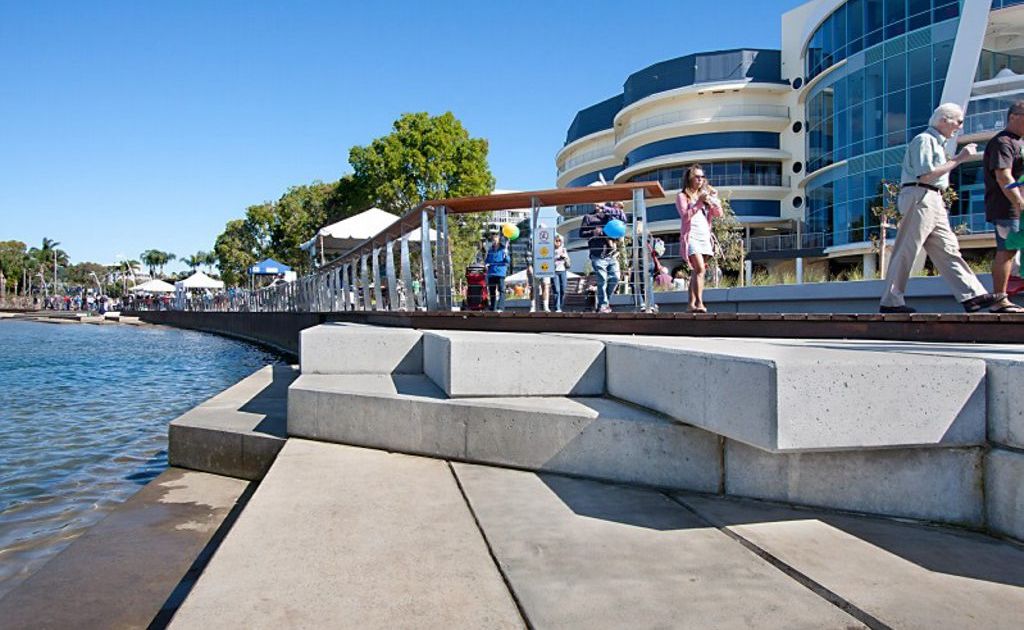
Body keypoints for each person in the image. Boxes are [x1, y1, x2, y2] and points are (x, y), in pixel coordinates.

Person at [879, 103, 1000, 313]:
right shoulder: (924, 140)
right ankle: (890, 301)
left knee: (948, 248)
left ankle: (972, 296)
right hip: (921, 195)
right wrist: (959, 159)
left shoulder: (934, 143)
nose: (960, 127)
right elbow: (926, 174)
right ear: (944, 120)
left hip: (931, 198)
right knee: (907, 249)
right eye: (958, 121)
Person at [982, 100, 1024, 313]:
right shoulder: (1003, 142)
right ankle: (999, 300)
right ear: (1013, 117)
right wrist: (1019, 203)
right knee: (1007, 250)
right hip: (1007, 208)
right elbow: (1003, 176)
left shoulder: (1017, 143)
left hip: (1016, 207)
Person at [675, 164, 722, 313]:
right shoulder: (682, 196)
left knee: (697, 271)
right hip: (691, 236)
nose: (700, 179)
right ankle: (700, 303)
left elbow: (719, 214)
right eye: (697, 176)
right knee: (700, 268)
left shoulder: (704, 196)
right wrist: (699, 202)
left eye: (702, 177)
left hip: (704, 236)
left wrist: (714, 198)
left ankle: (691, 304)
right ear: (689, 178)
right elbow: (685, 216)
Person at [579, 201, 627, 312]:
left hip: (611, 254)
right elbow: (581, 234)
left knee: (615, 278)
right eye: (595, 202)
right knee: (602, 279)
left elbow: (622, 218)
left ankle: (605, 303)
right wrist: (593, 232)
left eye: (600, 201)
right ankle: (603, 305)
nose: (597, 203)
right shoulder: (588, 217)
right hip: (597, 254)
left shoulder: (610, 215)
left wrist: (606, 208)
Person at [484, 233, 509, 312]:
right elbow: (487, 260)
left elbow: (507, 261)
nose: (494, 242)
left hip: (500, 273)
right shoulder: (490, 250)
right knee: (492, 291)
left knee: (501, 290)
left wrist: (506, 254)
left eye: (495, 240)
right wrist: (486, 264)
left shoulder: (503, 249)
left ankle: (500, 307)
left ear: (498, 240)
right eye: (493, 240)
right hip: (491, 273)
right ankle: (492, 307)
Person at [551, 234, 569, 312]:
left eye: (559, 240)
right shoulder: (551, 250)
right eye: (556, 240)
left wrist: (565, 258)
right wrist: (557, 258)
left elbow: (567, 260)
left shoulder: (564, 249)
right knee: (556, 290)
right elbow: (548, 259)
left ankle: (560, 306)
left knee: (563, 290)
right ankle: (557, 307)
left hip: (563, 270)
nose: (558, 242)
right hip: (554, 271)